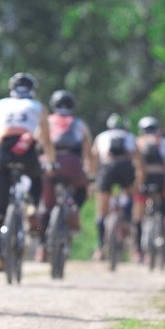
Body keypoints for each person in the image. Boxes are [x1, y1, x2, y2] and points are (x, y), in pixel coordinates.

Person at [0, 72, 56, 271]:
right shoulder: (38, 106)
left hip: (3, 150)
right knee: (36, 181)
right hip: (27, 152)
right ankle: (32, 206)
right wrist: (51, 161)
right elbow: (46, 139)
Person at [35, 90, 94, 262]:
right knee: (81, 192)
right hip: (74, 165)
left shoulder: (47, 122)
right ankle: (73, 209)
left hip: (49, 164)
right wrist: (89, 177)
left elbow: (37, 142)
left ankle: (42, 246)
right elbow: (88, 152)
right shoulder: (79, 124)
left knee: (45, 205)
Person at [90, 113, 144, 260]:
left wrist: (93, 178)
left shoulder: (101, 136)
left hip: (107, 168)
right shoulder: (130, 136)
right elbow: (138, 160)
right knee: (131, 200)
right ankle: (135, 245)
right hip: (125, 168)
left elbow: (94, 158)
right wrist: (138, 181)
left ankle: (100, 247)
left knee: (101, 210)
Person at [133, 116, 165, 261]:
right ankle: (161, 233)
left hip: (144, 179)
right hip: (160, 179)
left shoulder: (138, 142)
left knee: (138, 215)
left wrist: (136, 183)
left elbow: (136, 164)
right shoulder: (163, 142)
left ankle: (138, 250)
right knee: (162, 206)